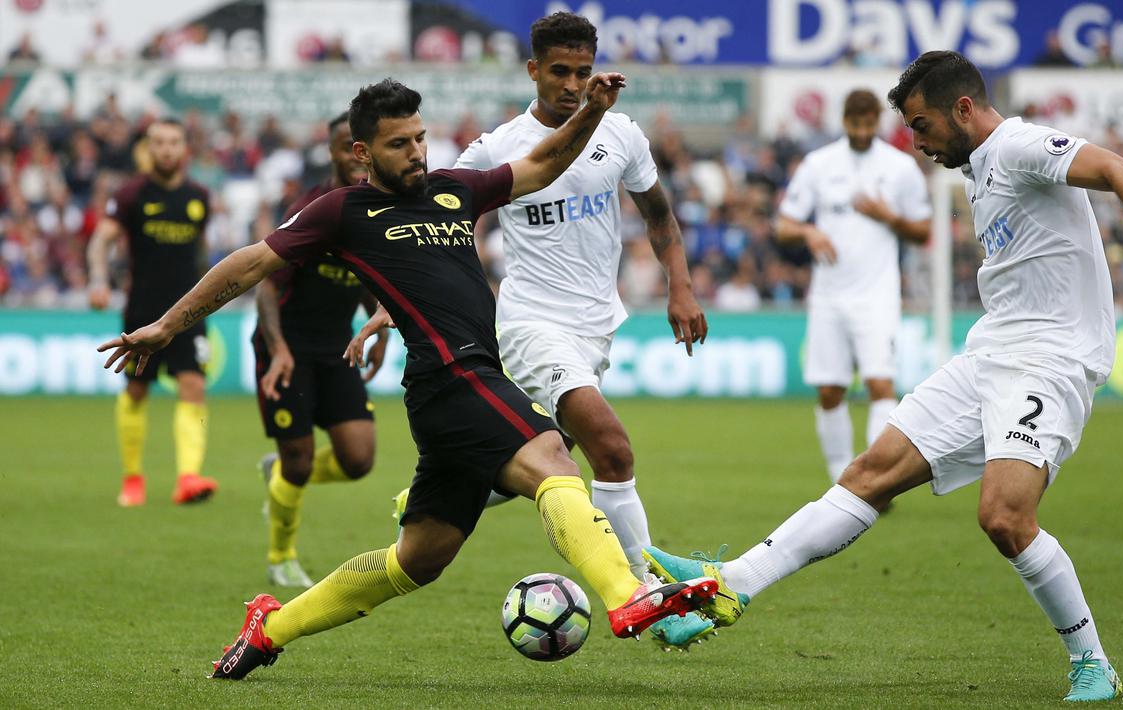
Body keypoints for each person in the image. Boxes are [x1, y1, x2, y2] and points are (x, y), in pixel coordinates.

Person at [642, 51, 1123, 701]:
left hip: (1051, 357)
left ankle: (1091, 662)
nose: (917, 142)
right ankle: (731, 583)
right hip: (991, 351)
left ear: (963, 108)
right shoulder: (978, 166)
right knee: (868, 473)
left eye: (921, 125)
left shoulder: (1020, 145)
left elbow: (1117, 168)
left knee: (1004, 517)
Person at [98, 75, 717, 681]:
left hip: (452, 391)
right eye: (399, 144)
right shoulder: (343, 211)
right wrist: (167, 326)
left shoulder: (454, 190)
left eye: (420, 138)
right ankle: (627, 594)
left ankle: (270, 628)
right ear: (363, 152)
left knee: (417, 560)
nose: (416, 152)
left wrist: (591, 111)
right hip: (453, 376)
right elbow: (249, 264)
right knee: (554, 459)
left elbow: (543, 165)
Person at [350, 11, 711, 648]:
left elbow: (659, 216)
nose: (572, 85)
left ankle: (438, 490)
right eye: (559, 72)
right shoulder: (498, 148)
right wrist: (389, 306)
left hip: (596, 325)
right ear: (533, 70)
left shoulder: (621, 133)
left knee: (547, 454)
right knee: (611, 449)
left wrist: (679, 286)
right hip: (528, 324)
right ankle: (650, 596)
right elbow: (434, 223)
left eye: (582, 72)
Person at [253, 111, 387, 588]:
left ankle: (279, 473)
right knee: (300, 461)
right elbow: (266, 286)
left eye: (362, 145)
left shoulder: (377, 208)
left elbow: (368, 277)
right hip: (287, 348)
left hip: (336, 348)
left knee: (359, 460)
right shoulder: (311, 210)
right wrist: (279, 349)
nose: (355, 155)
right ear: (332, 152)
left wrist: (378, 328)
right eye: (345, 145)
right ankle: (281, 557)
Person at [776, 89, 930, 485]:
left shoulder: (900, 167)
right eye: (855, 124)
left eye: (868, 124)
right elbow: (783, 224)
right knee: (830, 391)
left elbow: (924, 229)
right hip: (829, 295)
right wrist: (808, 231)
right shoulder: (819, 164)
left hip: (878, 295)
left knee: (881, 383)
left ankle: (877, 480)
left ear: (878, 121)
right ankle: (841, 480)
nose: (862, 131)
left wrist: (888, 216)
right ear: (844, 121)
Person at [87, 117, 218, 507]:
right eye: (159, 142)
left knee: (193, 385)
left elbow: (200, 253)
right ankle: (133, 479)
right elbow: (100, 241)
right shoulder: (131, 195)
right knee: (136, 389)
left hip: (189, 312)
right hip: (142, 311)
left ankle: (188, 478)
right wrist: (98, 279)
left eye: (173, 142)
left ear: (184, 148)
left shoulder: (199, 197)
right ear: (148, 148)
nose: (166, 149)